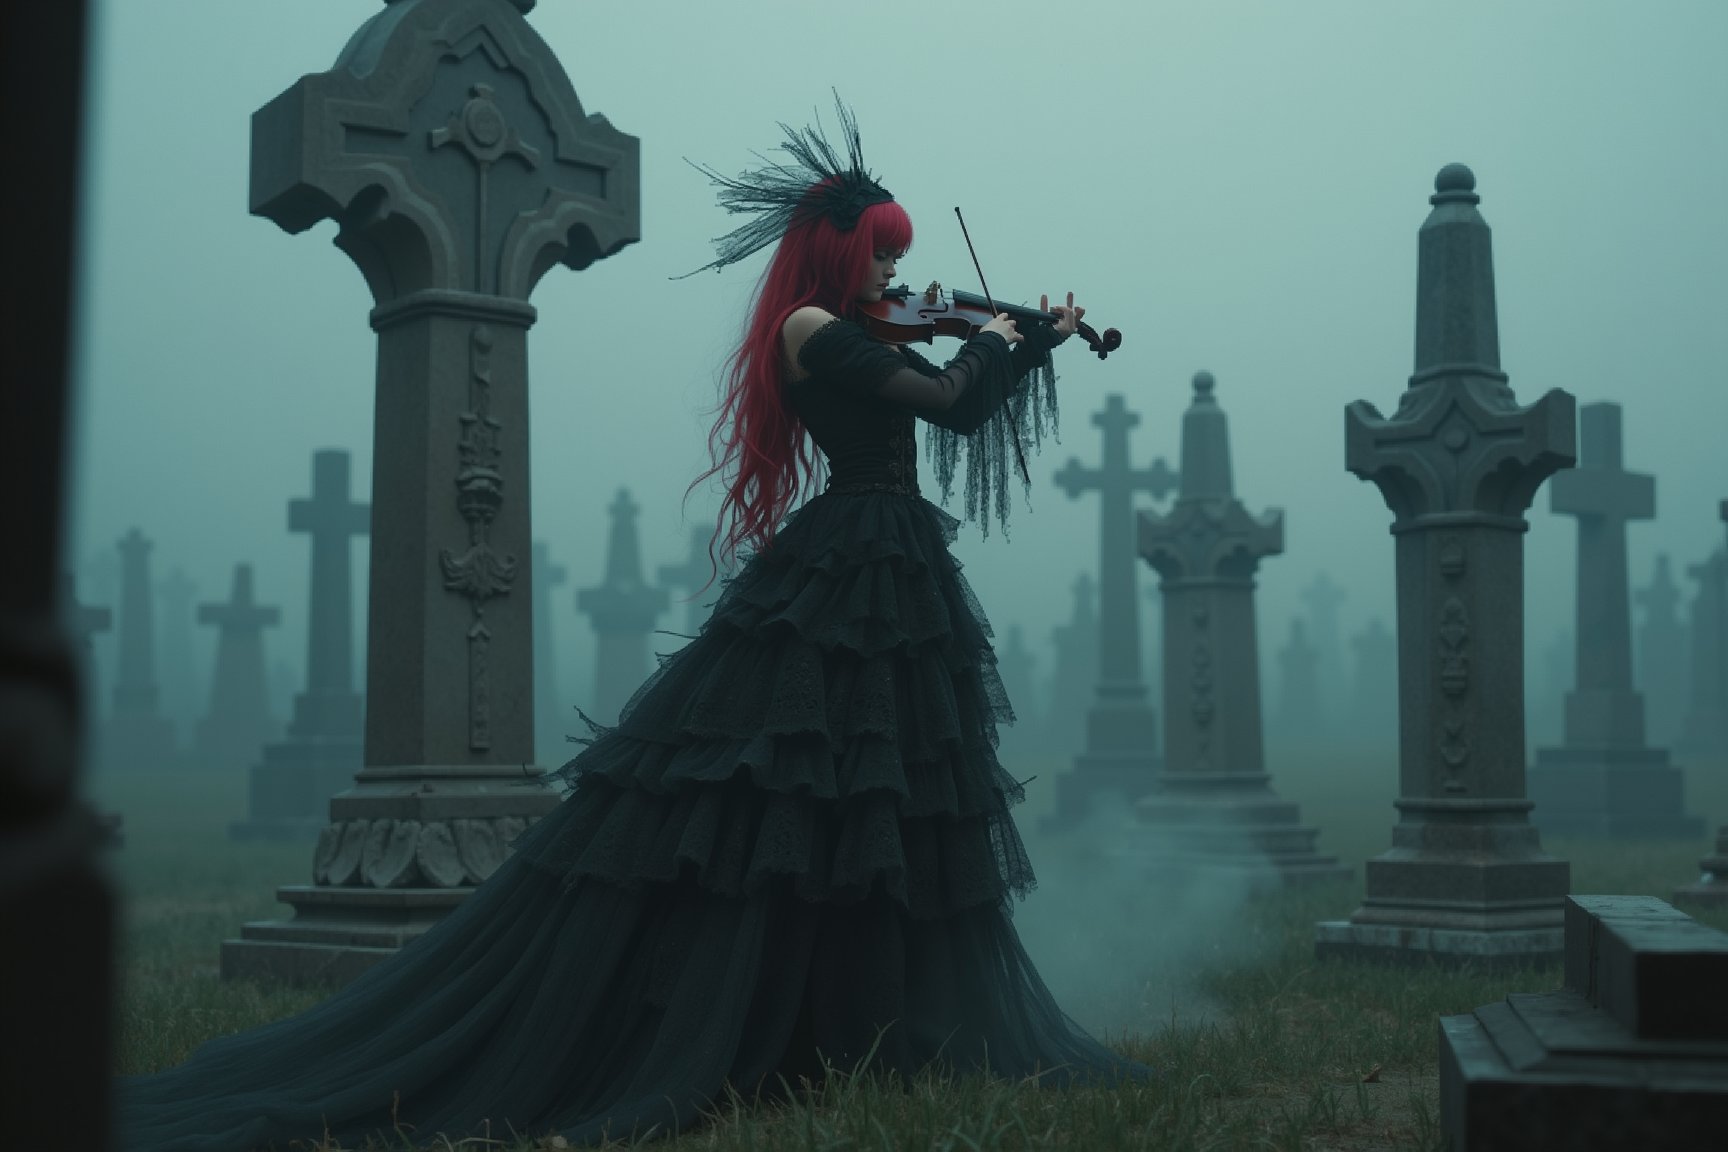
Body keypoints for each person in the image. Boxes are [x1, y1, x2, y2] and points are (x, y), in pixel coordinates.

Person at [115, 99, 1151, 1151]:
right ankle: (739, 1020)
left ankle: (864, 1023)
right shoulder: (812, 330)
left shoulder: (872, 324)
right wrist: (1001, 340)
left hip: (898, 569)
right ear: (838, 253)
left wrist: (1029, 339)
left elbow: (961, 386)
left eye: (900, 262)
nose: (896, 281)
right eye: (880, 257)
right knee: (784, 801)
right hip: (847, 566)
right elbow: (946, 402)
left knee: (883, 808)